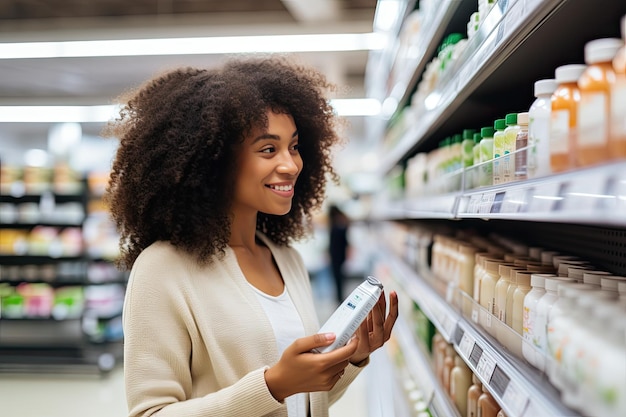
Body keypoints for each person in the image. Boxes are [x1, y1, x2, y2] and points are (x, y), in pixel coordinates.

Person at [103, 55, 399, 417]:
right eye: (268, 149)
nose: (290, 165)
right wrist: (273, 385)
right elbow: (151, 413)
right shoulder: (162, 269)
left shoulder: (286, 258)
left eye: (294, 146)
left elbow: (302, 400)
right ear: (214, 162)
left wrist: (352, 359)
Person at [328, 204, 350, 304]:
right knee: (339, 276)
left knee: (338, 277)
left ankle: (339, 296)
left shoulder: (337, 225)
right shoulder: (341, 223)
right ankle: (339, 296)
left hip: (336, 255)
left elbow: (335, 242)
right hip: (339, 255)